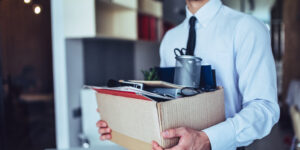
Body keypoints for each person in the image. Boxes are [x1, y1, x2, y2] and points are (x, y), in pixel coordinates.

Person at [96, 0, 280, 149]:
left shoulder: (247, 27)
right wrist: (122, 122)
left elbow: (264, 108)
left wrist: (207, 139)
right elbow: (165, 102)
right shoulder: (170, 38)